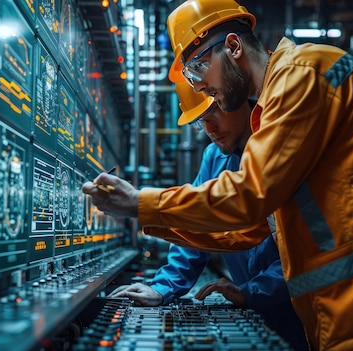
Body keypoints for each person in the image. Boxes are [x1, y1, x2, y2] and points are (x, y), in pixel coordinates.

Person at [83, 0, 353, 349]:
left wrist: (141, 202)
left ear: (233, 47)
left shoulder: (303, 75)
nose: (199, 88)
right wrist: (151, 227)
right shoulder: (275, 103)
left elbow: (249, 195)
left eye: (196, 70)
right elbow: (248, 226)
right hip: (343, 306)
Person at [109, 82, 308, 350]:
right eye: (201, 122)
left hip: (299, 312)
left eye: (212, 115)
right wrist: (163, 288)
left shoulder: (281, 147)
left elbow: (302, 246)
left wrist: (254, 290)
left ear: (235, 99)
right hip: (250, 306)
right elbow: (197, 225)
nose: (209, 130)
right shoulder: (214, 157)